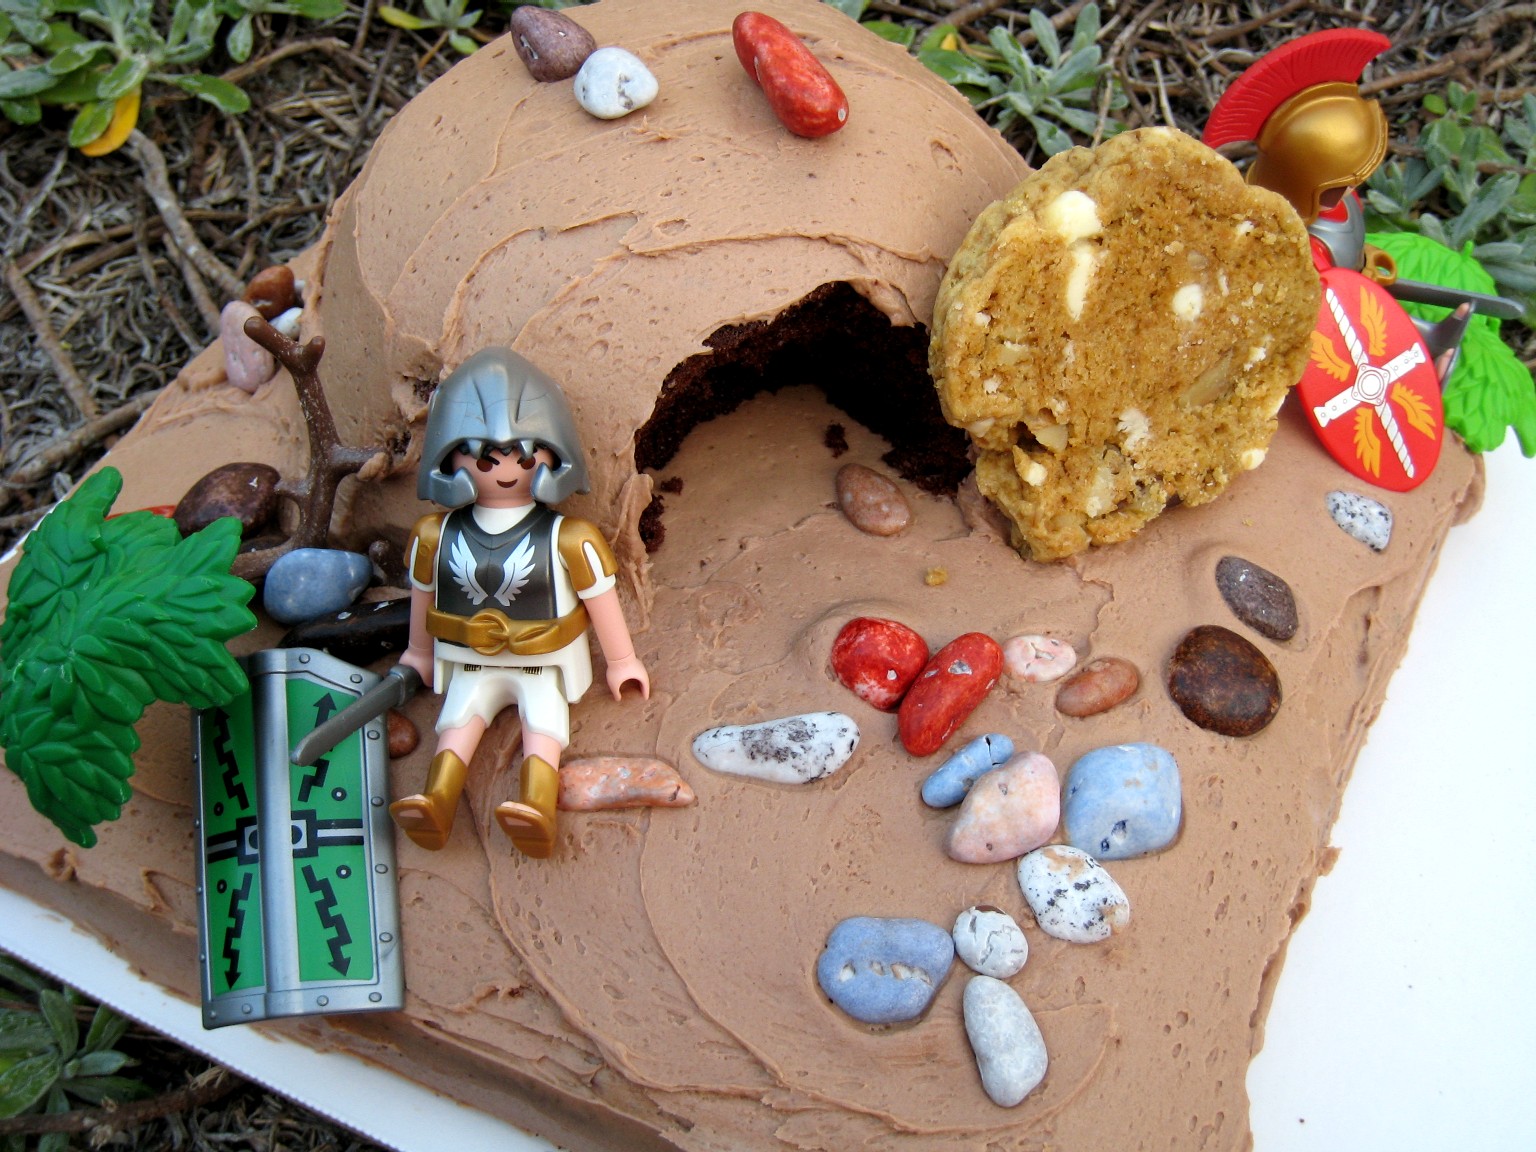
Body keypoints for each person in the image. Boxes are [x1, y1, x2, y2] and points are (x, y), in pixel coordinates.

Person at [390, 348, 648, 858]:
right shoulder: (434, 535)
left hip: (542, 661)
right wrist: (419, 652)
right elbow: (424, 595)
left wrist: (623, 661)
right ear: (451, 455)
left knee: (544, 722)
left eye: (525, 457)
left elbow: (601, 600)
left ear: (553, 454)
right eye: (486, 458)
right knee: (458, 719)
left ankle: (536, 807)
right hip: (469, 658)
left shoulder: (571, 537)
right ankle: (438, 800)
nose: (506, 469)